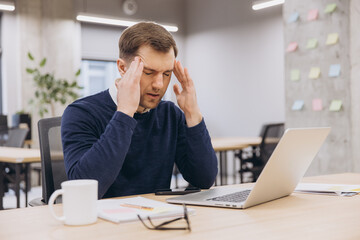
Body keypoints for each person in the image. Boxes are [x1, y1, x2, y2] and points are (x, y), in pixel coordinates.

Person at [61, 22, 218, 199]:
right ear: (122, 68)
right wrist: (125, 112)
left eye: (166, 74)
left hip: (156, 218)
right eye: (149, 72)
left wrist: (192, 113)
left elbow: (204, 179)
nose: (159, 84)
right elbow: (84, 190)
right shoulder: (81, 113)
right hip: (103, 222)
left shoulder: (169, 114)